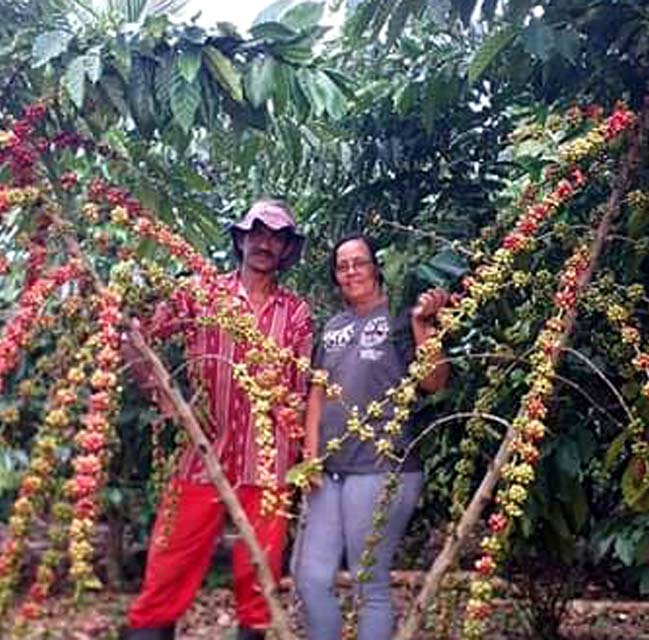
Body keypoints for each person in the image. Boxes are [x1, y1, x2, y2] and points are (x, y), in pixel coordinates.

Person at [122, 200, 313, 640]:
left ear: (286, 250)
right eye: (258, 233)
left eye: (277, 237)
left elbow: (301, 390)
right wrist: (162, 397)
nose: (265, 243)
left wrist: (302, 454)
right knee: (170, 560)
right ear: (241, 239)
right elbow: (136, 334)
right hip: (203, 450)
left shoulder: (297, 313)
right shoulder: (201, 292)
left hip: (268, 462)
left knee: (259, 577)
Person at [293, 232, 450, 640]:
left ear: (375, 266)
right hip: (329, 471)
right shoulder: (333, 326)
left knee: (369, 581)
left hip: (383, 467)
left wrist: (422, 324)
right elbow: (317, 392)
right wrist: (309, 455)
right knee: (309, 577)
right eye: (342, 266)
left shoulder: (400, 318)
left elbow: (434, 381)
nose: (351, 272)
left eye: (358, 262)